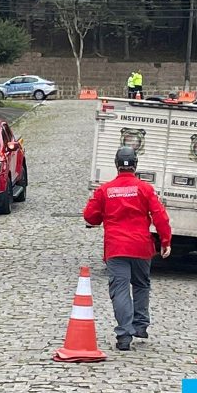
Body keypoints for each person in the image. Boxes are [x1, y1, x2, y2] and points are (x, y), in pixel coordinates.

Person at [83, 146, 172, 351]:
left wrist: (101, 217)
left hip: (116, 248)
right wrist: (165, 241)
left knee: (120, 289)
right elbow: (160, 217)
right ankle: (140, 325)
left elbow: (90, 216)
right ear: (135, 165)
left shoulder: (105, 190)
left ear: (116, 165)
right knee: (141, 284)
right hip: (141, 247)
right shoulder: (145, 189)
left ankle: (124, 334)